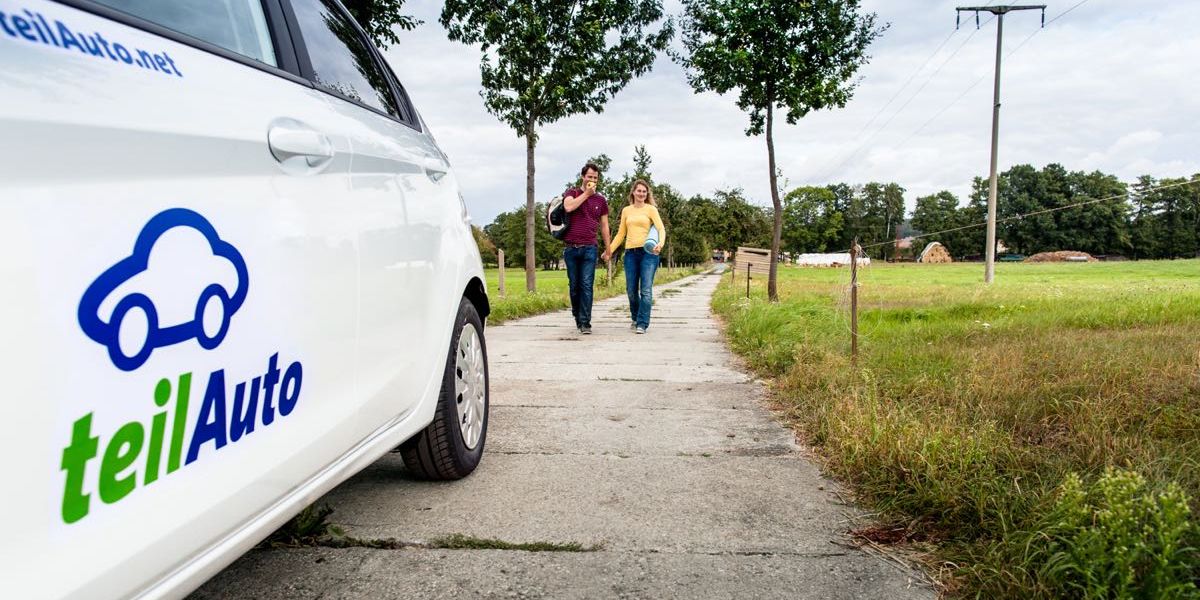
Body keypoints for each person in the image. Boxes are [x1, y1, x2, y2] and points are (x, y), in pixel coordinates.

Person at [607, 179, 665, 334]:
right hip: (631, 254)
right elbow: (620, 234)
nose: (641, 194)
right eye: (639, 191)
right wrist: (609, 250)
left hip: (649, 253)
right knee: (631, 290)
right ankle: (635, 317)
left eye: (644, 192)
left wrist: (660, 244)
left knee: (645, 290)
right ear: (633, 192)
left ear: (647, 194)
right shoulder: (627, 210)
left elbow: (660, 229)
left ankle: (642, 323)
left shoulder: (651, 209)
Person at [560, 162, 611, 334]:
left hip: (590, 247)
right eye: (589, 176)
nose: (592, 180)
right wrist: (586, 194)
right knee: (574, 286)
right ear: (583, 177)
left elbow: (604, 226)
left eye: (595, 178)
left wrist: (608, 247)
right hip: (571, 249)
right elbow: (568, 206)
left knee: (587, 285)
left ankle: (585, 322)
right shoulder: (572, 193)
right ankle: (577, 314)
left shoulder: (601, 200)